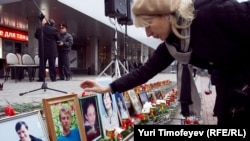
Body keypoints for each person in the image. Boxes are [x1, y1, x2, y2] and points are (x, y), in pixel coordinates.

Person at [80, 0, 250, 126]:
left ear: (166, 16)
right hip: (230, 87)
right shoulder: (173, 45)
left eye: (148, 25)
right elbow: (144, 72)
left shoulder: (211, 13)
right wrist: (109, 88)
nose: (148, 34)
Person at [35, 15, 60, 82]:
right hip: (52, 51)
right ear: (53, 24)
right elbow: (58, 38)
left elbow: (36, 36)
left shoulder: (39, 29)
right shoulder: (54, 29)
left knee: (42, 65)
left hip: (42, 50)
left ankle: (41, 78)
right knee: (52, 65)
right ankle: (53, 78)